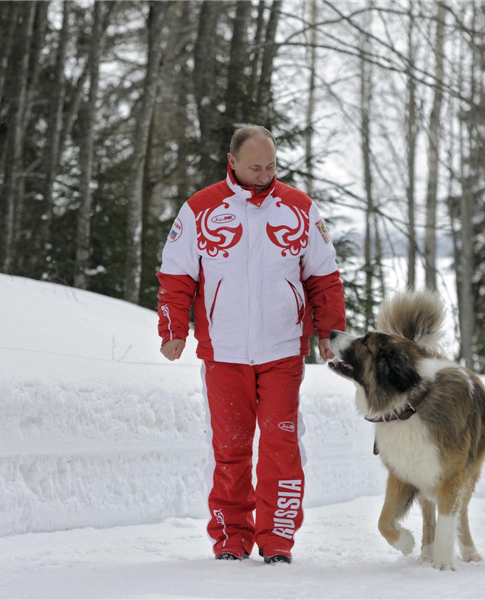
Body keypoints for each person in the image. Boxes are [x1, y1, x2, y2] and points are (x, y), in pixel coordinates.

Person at [156, 125, 345, 565]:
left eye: (271, 166)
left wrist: (329, 332)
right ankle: (230, 537)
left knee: (281, 446)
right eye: (255, 167)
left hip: (282, 350)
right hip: (224, 352)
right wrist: (173, 329)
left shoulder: (299, 209)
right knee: (230, 448)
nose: (264, 175)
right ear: (233, 162)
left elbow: (323, 276)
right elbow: (177, 276)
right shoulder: (200, 209)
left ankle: (277, 539)